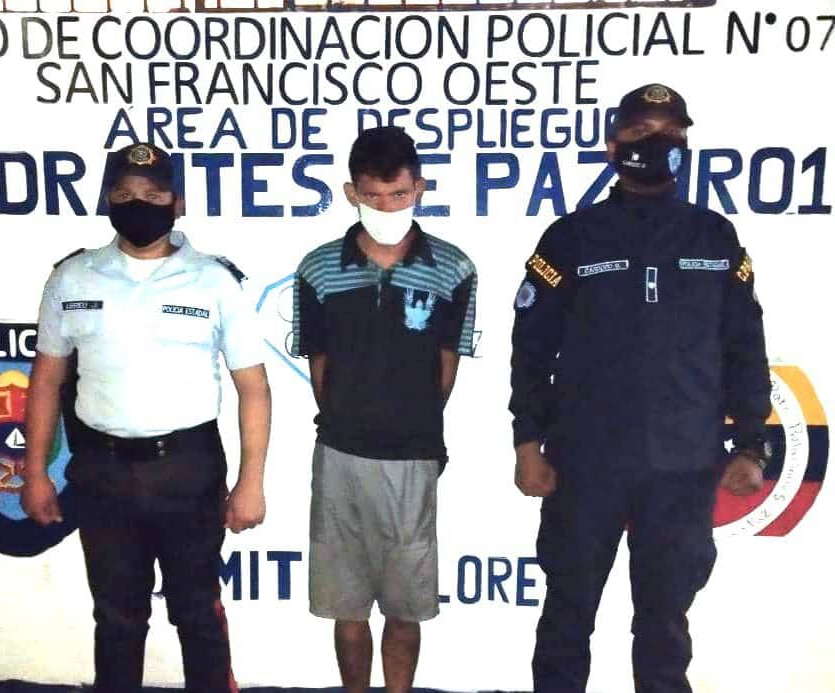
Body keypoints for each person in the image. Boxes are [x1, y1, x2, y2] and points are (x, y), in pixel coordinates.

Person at [510, 83, 772, 693]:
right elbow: (531, 349)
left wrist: (751, 445)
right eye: (640, 133)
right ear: (613, 146)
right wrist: (527, 442)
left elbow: (745, 348)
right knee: (566, 619)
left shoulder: (714, 237)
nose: (657, 143)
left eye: (671, 134)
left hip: (683, 466)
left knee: (665, 628)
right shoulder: (571, 239)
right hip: (585, 464)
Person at [20, 142, 270, 693]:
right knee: (116, 617)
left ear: (177, 204)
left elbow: (253, 388)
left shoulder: (214, 281)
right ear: (108, 200)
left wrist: (251, 482)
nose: (140, 205)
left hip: (188, 468)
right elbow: (46, 380)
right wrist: (34, 472)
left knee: (197, 612)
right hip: (102, 472)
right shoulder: (72, 277)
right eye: (125, 193)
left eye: (154, 196)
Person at [291, 126, 478, 692]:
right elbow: (319, 365)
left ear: (418, 188)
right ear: (352, 193)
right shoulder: (318, 267)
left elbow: (446, 365)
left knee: (405, 605)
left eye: (398, 194)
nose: (386, 207)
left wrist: (410, 422)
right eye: (372, 196)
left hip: (413, 456)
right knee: (346, 607)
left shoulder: (454, 268)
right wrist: (350, 419)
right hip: (340, 453)